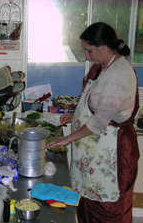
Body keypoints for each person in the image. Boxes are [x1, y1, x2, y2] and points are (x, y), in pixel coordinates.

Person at [47, 22, 139, 223]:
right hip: (94, 155)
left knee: (105, 210)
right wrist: (77, 114)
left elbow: (98, 122)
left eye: (89, 51)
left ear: (103, 47)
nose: (87, 56)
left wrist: (67, 139)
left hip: (113, 157)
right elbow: (96, 104)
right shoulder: (105, 67)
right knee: (88, 205)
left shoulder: (119, 75)